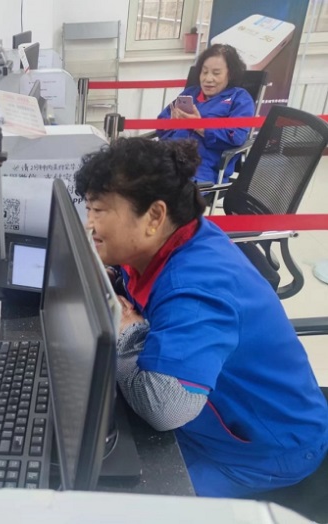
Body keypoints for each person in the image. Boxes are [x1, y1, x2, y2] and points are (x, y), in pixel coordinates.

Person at [74, 137, 328, 498]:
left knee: (119, 502)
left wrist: (127, 334)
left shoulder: (196, 288)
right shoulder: (171, 240)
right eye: (88, 210)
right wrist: (109, 280)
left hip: (261, 449)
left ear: (154, 216)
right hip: (208, 419)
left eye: (99, 211)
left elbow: (165, 409)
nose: (90, 224)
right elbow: (141, 286)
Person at [157, 44, 255, 184]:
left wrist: (200, 126)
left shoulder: (240, 98)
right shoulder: (190, 93)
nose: (208, 79)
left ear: (230, 74)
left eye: (216, 73)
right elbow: (161, 126)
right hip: (166, 160)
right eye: (204, 72)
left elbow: (237, 137)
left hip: (201, 170)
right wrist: (171, 124)